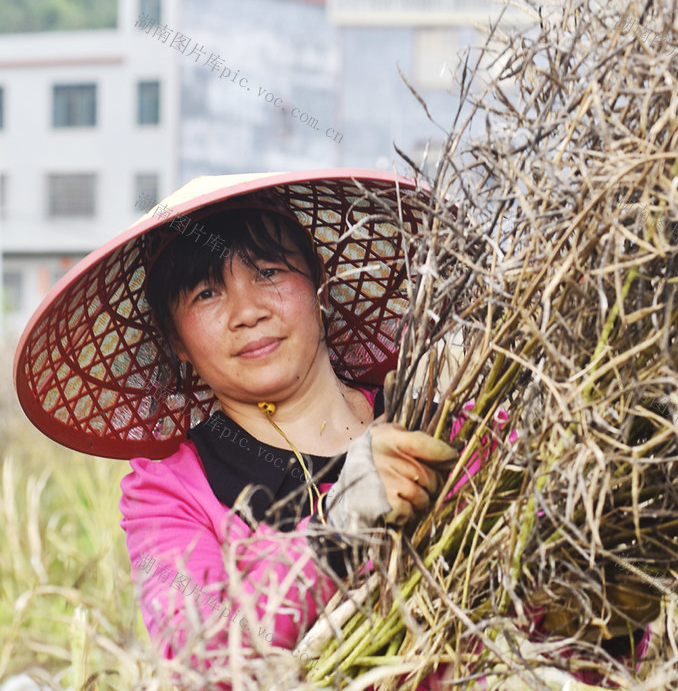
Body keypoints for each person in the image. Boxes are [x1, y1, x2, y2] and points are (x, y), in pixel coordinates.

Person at [13, 171, 481, 685]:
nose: (247, 312)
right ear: (177, 341)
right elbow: (201, 659)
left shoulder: (440, 425)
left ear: (319, 285)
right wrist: (337, 531)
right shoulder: (169, 492)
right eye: (206, 293)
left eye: (268, 272)